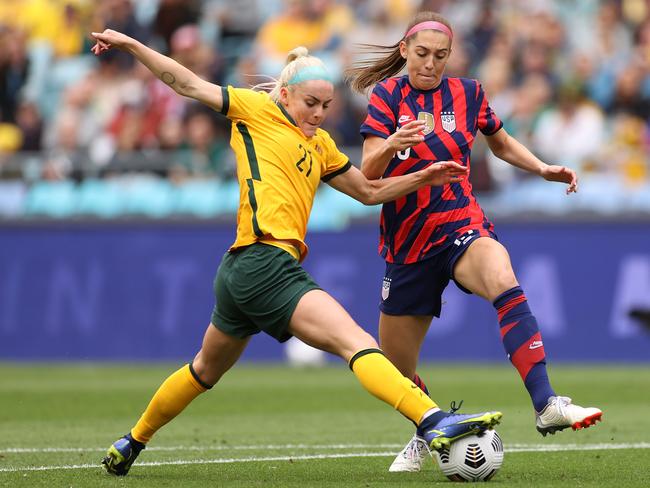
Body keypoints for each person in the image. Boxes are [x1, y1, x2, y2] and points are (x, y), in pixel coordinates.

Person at [89, 29, 503, 477]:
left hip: (240, 270)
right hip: (265, 262)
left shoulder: (321, 145)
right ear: (285, 95)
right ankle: (434, 421)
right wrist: (131, 45)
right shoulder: (257, 110)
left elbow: (367, 191)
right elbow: (185, 82)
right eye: (311, 103)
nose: (319, 114)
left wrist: (424, 177)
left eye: (327, 106)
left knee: (204, 369)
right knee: (357, 342)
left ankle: (131, 441)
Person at [347, 11, 603, 473]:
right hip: (407, 243)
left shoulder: (468, 93)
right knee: (395, 369)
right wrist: (390, 144)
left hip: (460, 222)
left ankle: (546, 403)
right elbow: (367, 176)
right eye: (422, 54)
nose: (430, 64)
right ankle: (429, 428)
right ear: (404, 51)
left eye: (440, 56)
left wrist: (542, 168)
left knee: (502, 275)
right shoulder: (387, 97)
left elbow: (500, 142)